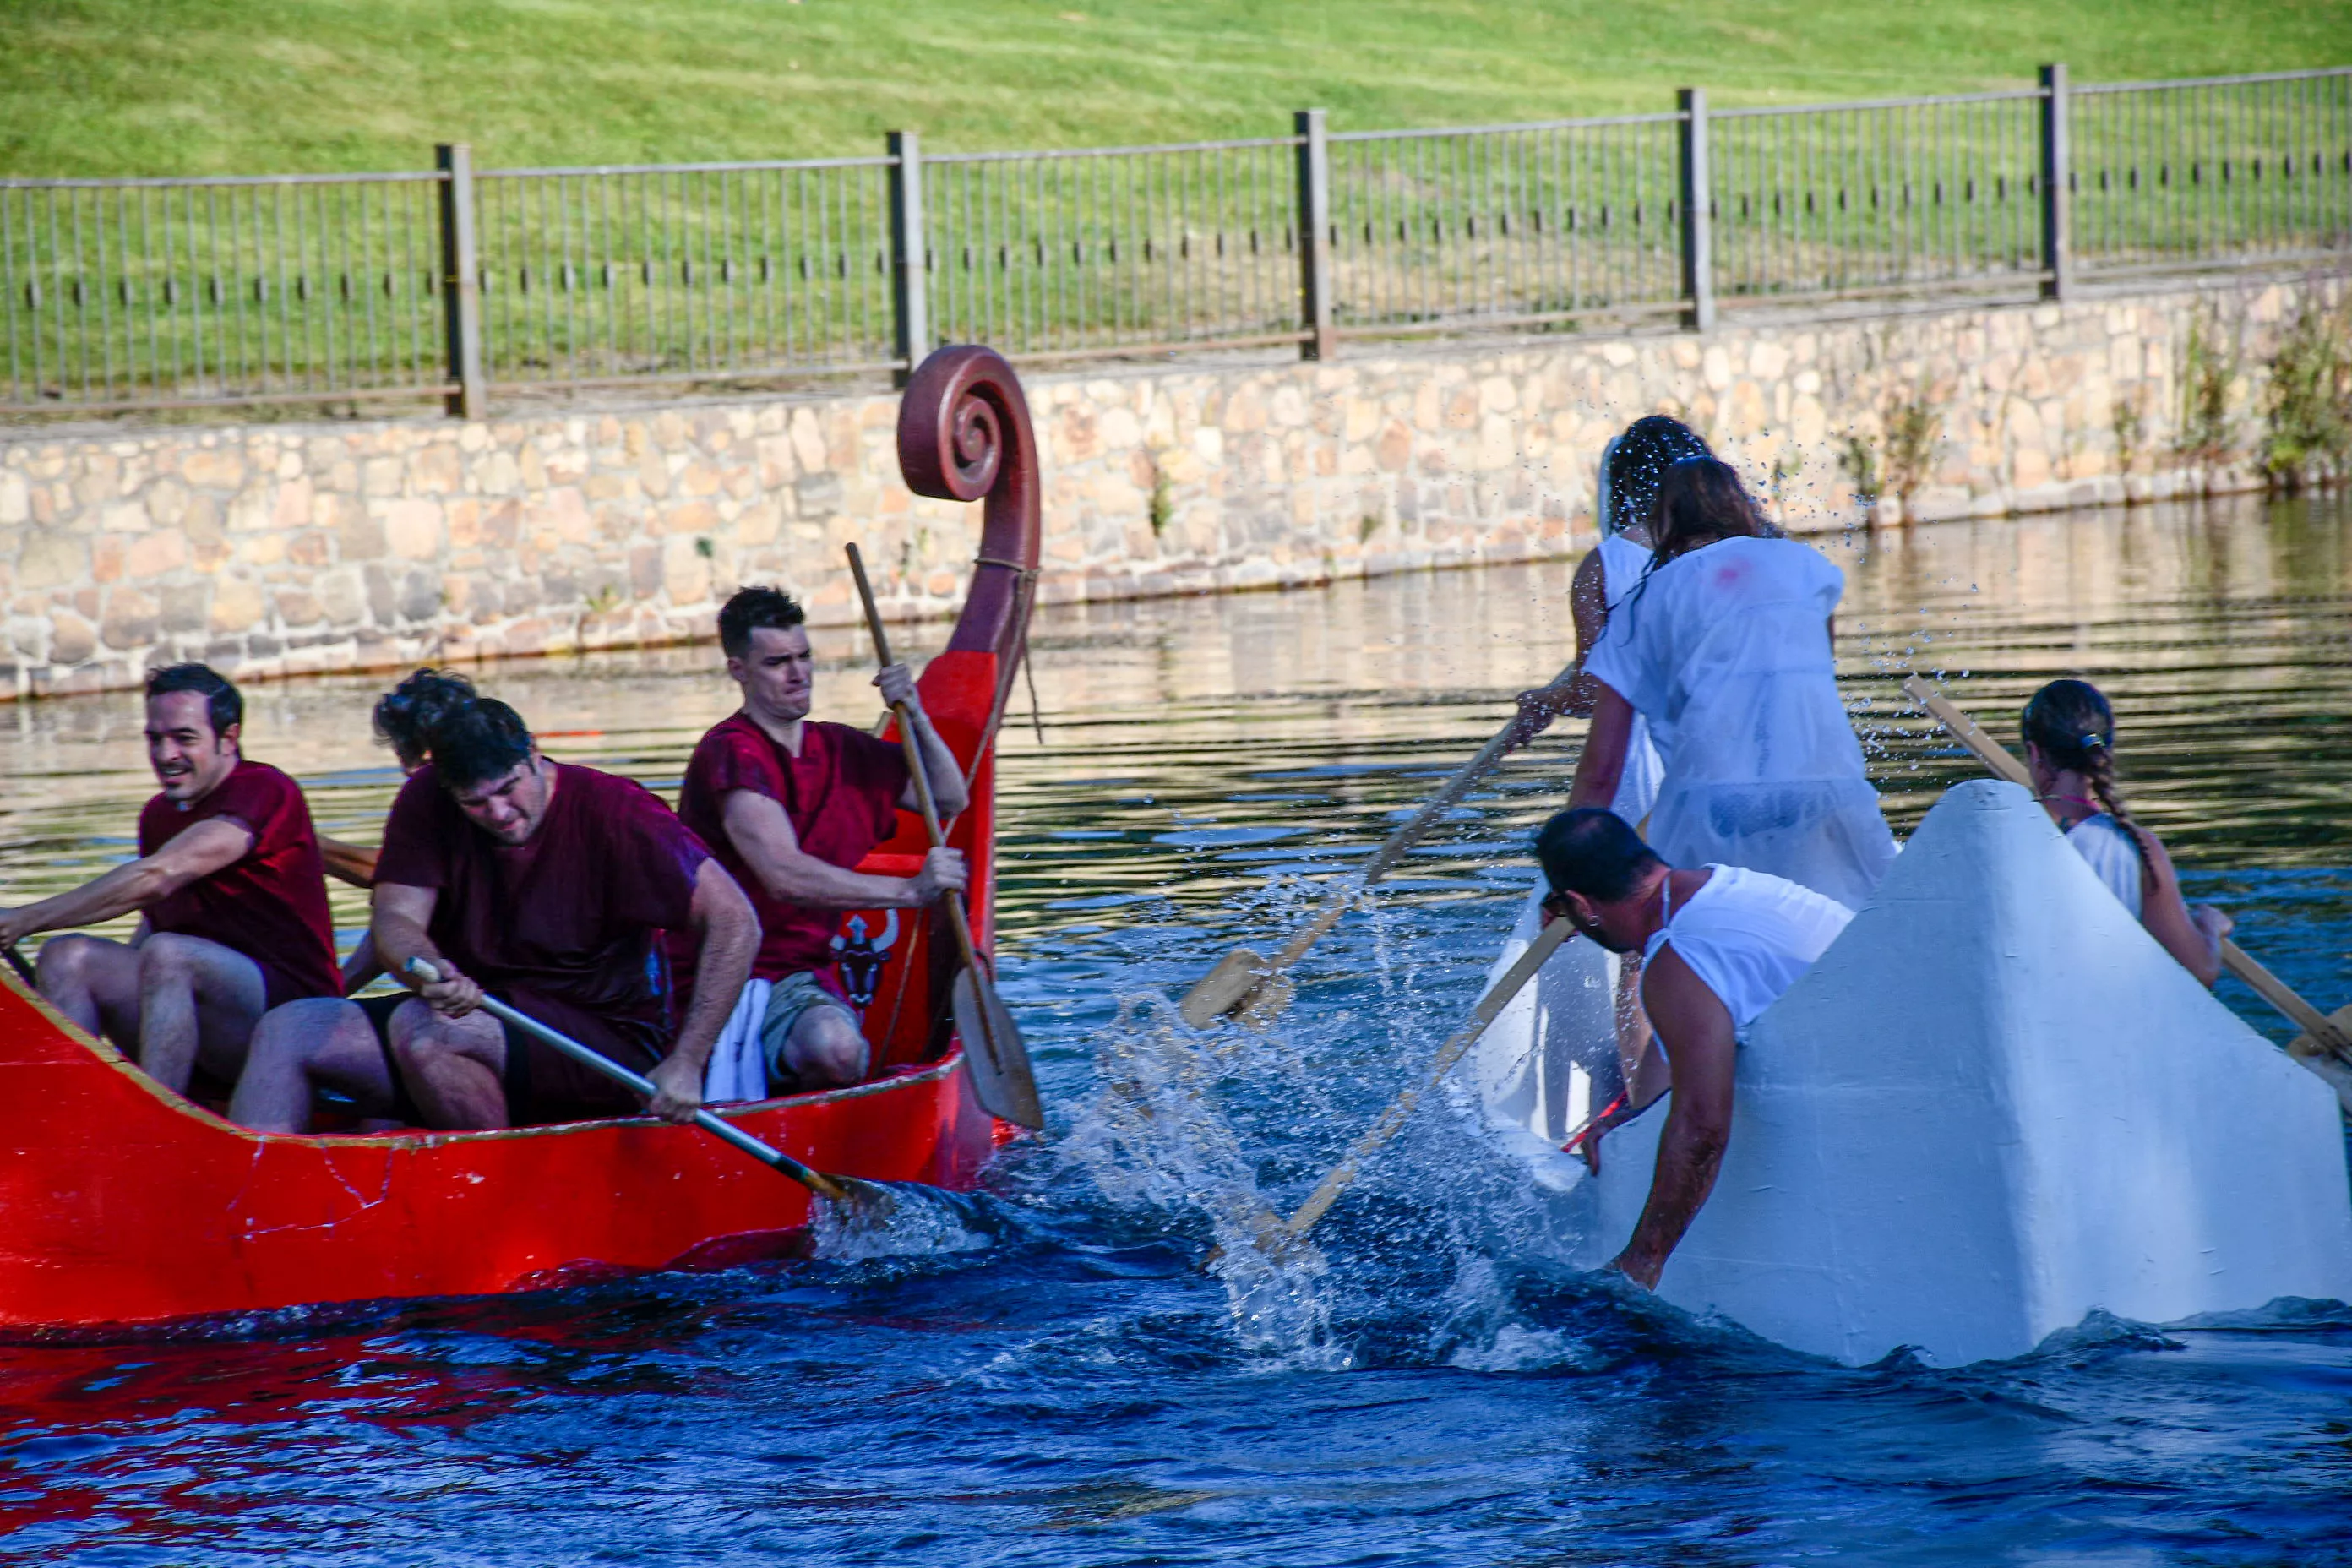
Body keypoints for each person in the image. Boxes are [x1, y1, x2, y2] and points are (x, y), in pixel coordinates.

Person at [230, 695, 760, 1133]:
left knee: (431, 1031)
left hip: (606, 1043)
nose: (500, 815)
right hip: (482, 1017)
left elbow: (736, 922)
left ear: (533, 751)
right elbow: (395, 919)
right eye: (476, 803)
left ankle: (501, 1196)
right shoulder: (425, 799)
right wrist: (429, 966)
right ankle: (242, 1218)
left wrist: (688, 1061)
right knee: (289, 1027)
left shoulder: (619, 812)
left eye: (509, 790)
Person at [1485, 418, 1716, 1141]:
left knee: (1641, 944)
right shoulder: (1716, 555)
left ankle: (1640, 1110)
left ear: (1621, 486)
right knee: (1698, 924)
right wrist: (1550, 697)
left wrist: (1547, 702)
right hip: (1706, 761)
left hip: (1636, 774)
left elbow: (1597, 687)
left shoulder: (1605, 565)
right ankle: (1684, 1081)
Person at [1535, 808, 1854, 1289]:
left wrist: (1643, 1258)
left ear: (1581, 902)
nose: (1572, 926)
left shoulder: (1675, 961)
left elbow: (1703, 1126)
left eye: (1560, 908)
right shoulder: (1729, 884)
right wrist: (1634, 1125)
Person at [1563, 456, 1897, 911]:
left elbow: (1601, 769)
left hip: (1712, 806)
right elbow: (1809, 681)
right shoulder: (1807, 568)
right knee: (1843, 935)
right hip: (1828, 791)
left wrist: (1564, 876)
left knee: (1708, 946)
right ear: (1742, 509)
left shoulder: (1645, 601)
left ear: (1666, 523)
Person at [677, 585, 970, 1094]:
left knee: (839, 1050)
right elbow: (784, 876)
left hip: (797, 976)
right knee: (828, 1050)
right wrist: (908, 893)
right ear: (738, 670)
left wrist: (915, 713)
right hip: (711, 974)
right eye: (777, 663)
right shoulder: (730, 753)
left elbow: (949, 798)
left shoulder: (839, 747)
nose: (799, 674)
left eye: (805, 656)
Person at [0, 664, 340, 1095]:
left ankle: (152, 1124)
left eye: (185, 738)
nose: (165, 755)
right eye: (155, 739)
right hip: (205, 1009)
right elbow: (157, 918)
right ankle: (79, 1115)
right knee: (67, 957)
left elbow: (159, 876)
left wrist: (26, 919)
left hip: (295, 1016)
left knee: (171, 955)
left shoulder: (263, 788)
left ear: (229, 738)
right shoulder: (157, 815)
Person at [2023, 678, 2230, 985]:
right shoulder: (2137, 848)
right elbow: (2200, 972)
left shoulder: (2006, 838)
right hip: (2105, 1026)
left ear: (2035, 753)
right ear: (2105, 750)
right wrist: (2210, 928)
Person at [330, 667, 480, 993]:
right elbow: (398, 895)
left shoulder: (489, 796)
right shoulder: (427, 806)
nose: (411, 769)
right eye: (405, 753)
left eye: (424, 756)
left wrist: (307, 845)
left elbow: (389, 871)